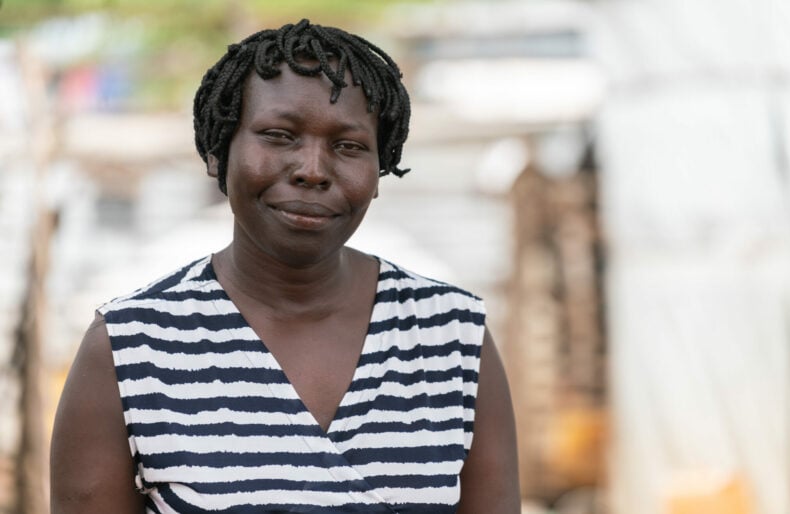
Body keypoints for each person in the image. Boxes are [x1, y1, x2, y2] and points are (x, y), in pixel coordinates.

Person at [50, 19, 520, 513]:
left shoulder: (451, 338)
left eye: (349, 146)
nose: (313, 170)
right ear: (218, 152)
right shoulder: (130, 346)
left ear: (380, 169)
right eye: (278, 135)